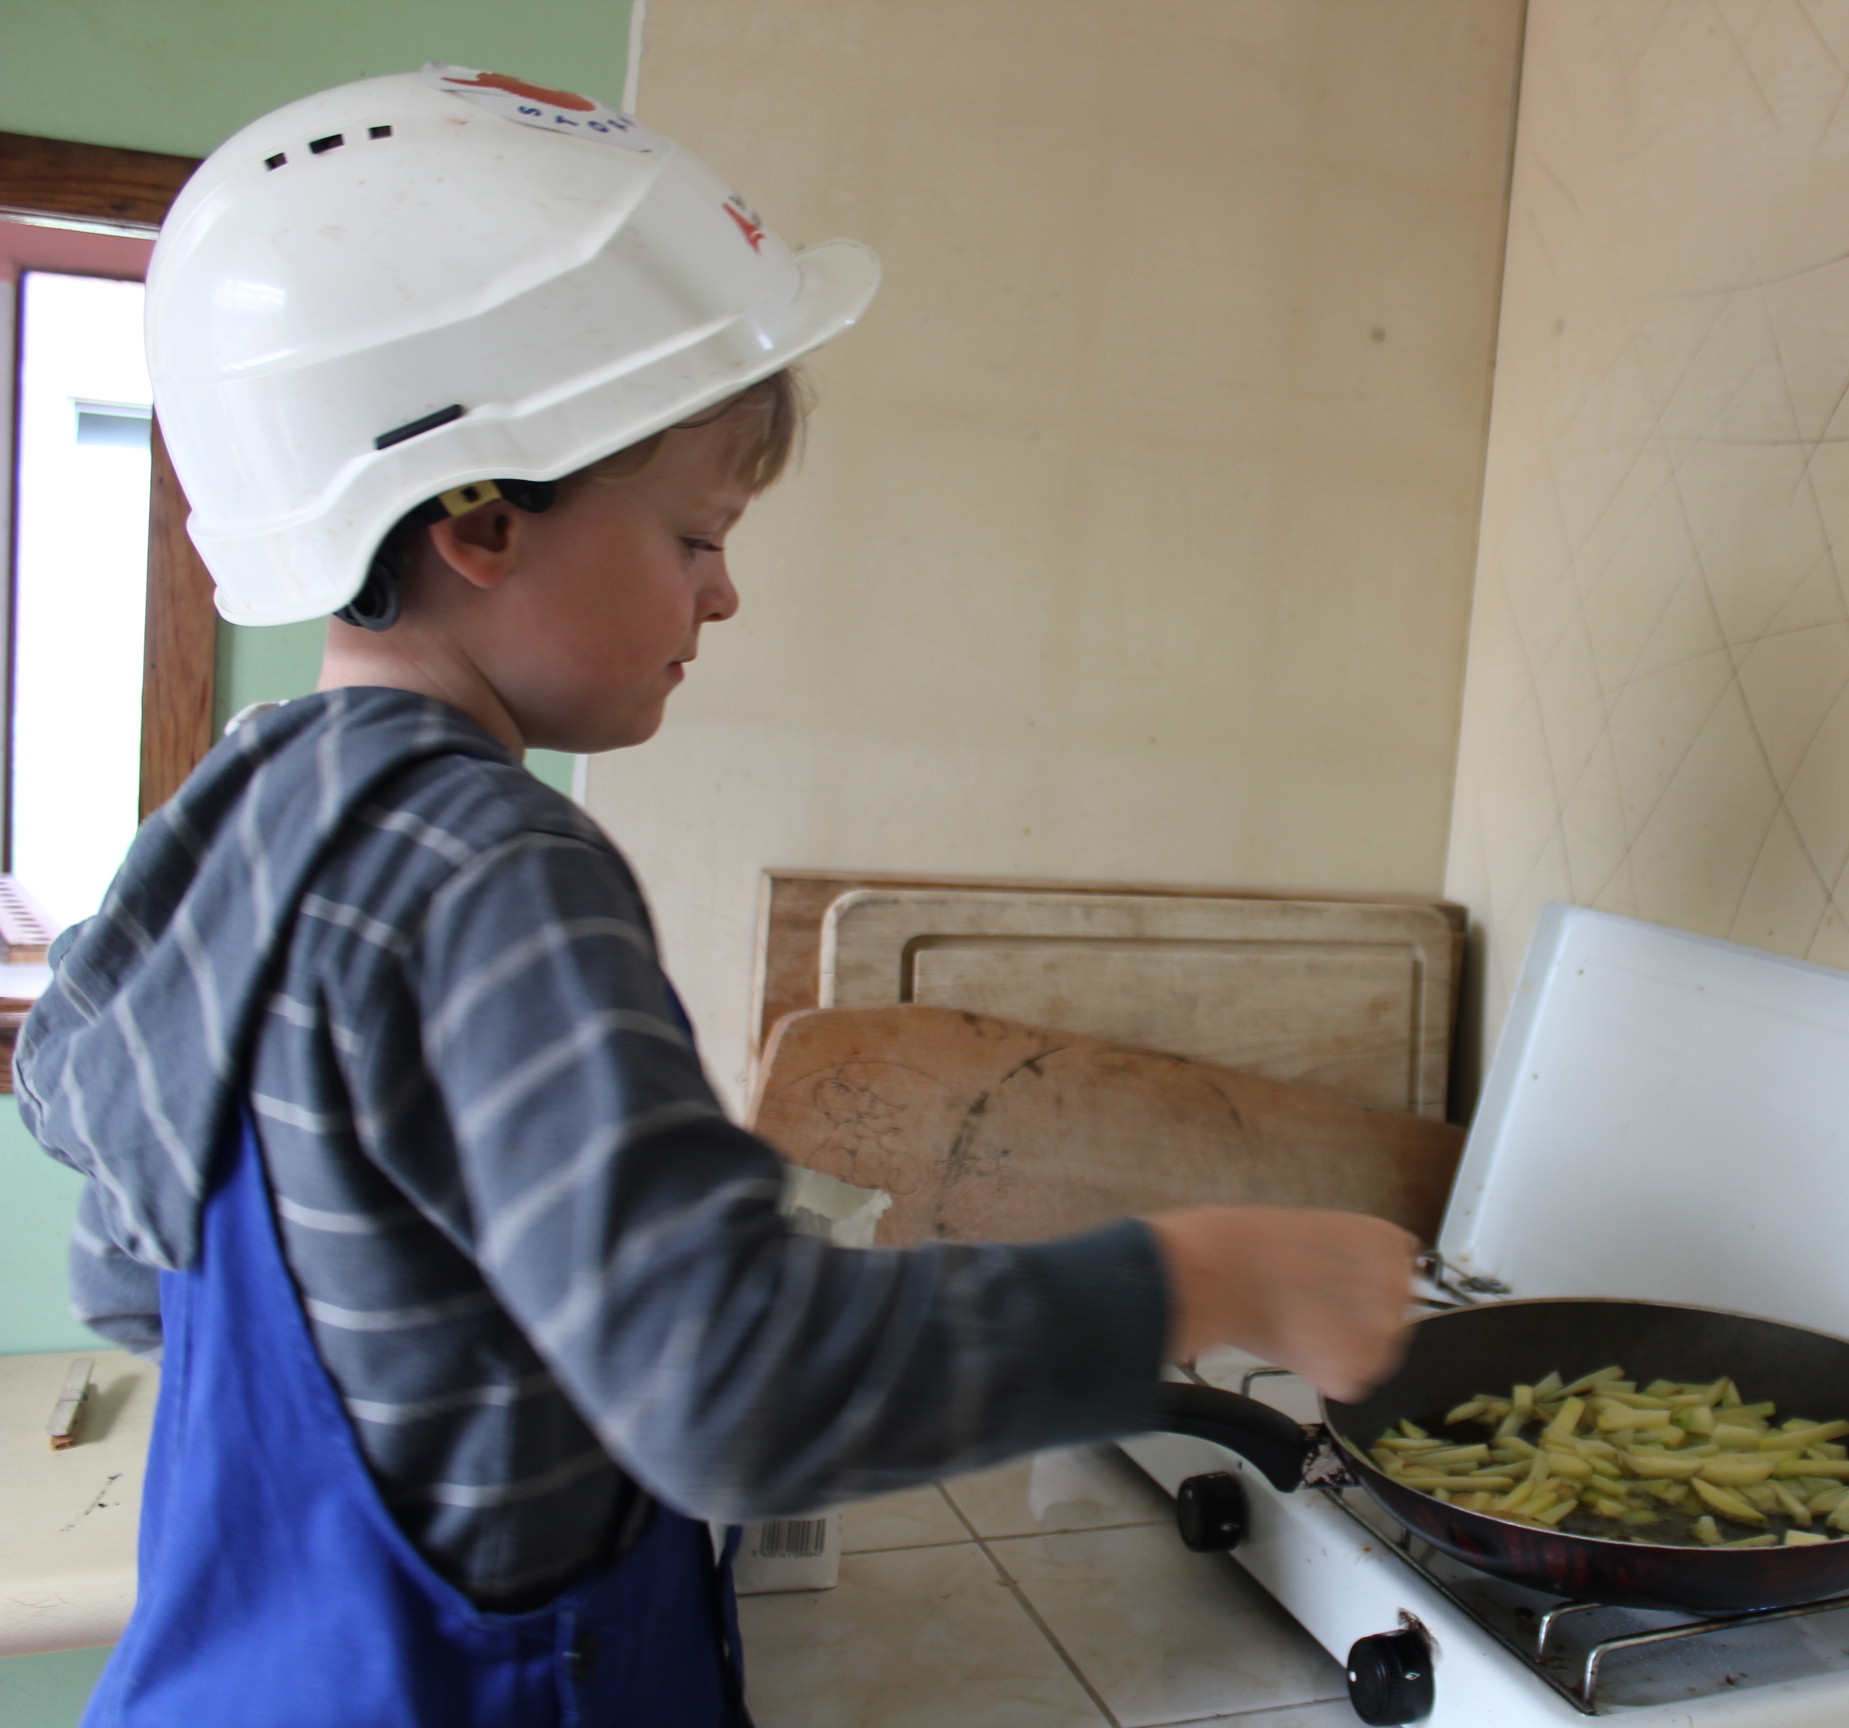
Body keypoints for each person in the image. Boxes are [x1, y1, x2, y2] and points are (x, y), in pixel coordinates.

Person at [13, 66, 1415, 1727]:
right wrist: (1199, 1276)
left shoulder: (228, 824)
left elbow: (136, 1280)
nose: (726, 592)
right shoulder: (495, 871)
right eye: (696, 535)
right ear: (480, 519)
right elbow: (731, 1388)